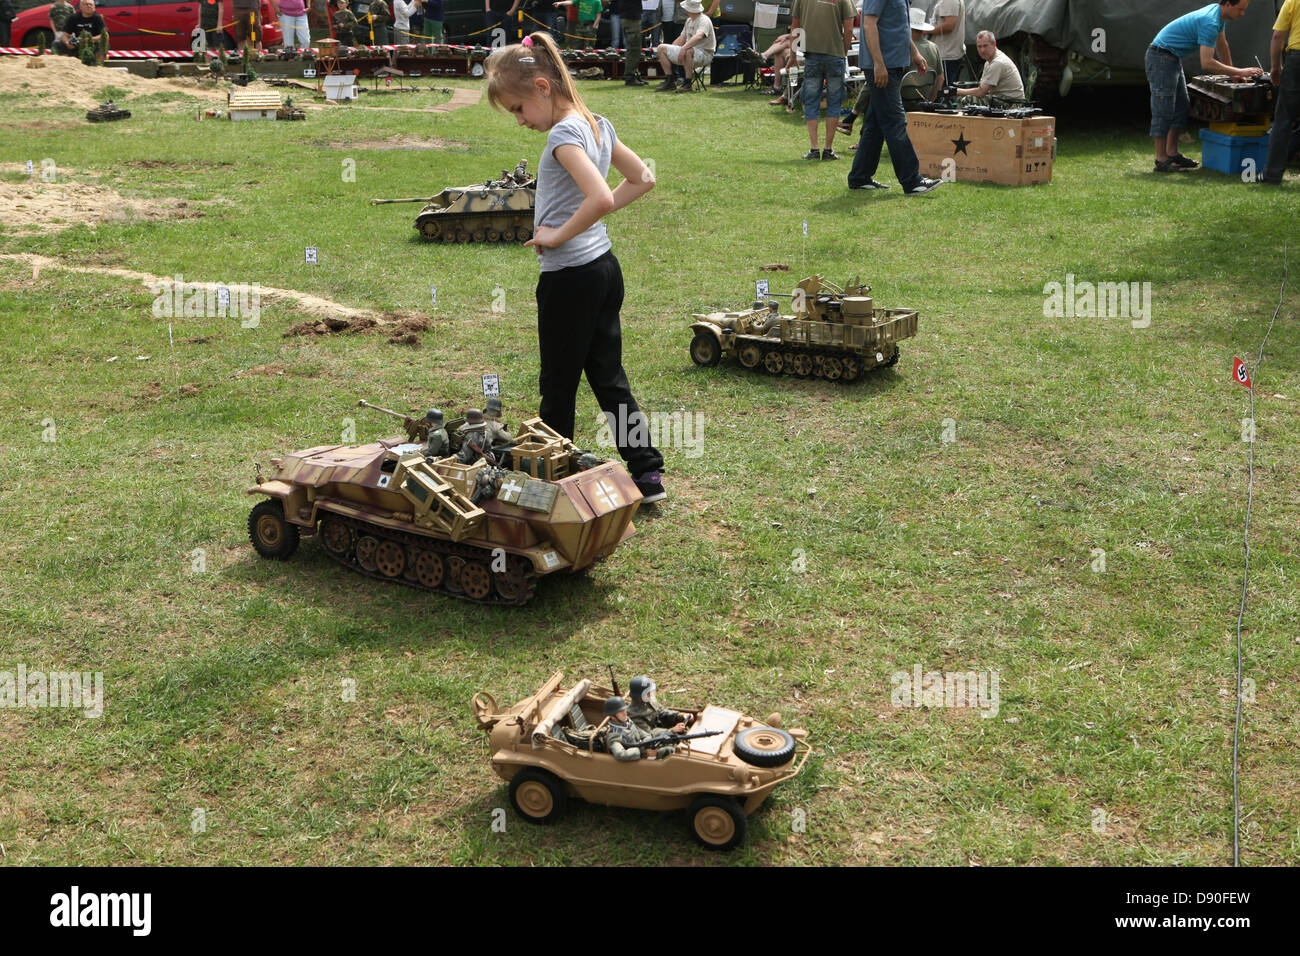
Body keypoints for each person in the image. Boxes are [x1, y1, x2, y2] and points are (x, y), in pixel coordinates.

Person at [485, 32, 666, 503]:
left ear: (542, 87)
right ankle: (647, 472)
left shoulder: (565, 134)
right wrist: (586, 227)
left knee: (558, 385)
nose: (521, 121)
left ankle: (549, 483)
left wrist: (556, 234)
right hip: (604, 269)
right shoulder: (597, 123)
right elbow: (642, 178)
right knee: (608, 377)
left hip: (570, 280)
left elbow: (601, 196)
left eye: (519, 110)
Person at [1146, 1, 1262, 173]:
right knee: (1164, 108)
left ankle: (1172, 153)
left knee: (1181, 107)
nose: (1242, 13)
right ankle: (1161, 160)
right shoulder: (1210, 21)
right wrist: (1241, 71)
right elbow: (1206, 62)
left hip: (1171, 58)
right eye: (1241, 9)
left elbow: (1222, 46)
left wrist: (1234, 76)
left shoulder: (1218, 16)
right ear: (1228, 4)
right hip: (1161, 57)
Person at [847, 0, 942, 195]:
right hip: (885, 67)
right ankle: (912, 181)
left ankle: (859, 177)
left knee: (875, 124)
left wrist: (914, 53)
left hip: (892, 65)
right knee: (895, 122)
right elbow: (869, 23)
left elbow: (899, 27)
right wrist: (878, 64)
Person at [839, 7, 941, 139]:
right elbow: (940, 78)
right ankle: (854, 124)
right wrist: (930, 101)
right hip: (923, 99)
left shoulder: (903, 49)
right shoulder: (934, 48)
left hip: (900, 99)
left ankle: (854, 121)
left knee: (874, 86)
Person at [791, 0, 856, 160]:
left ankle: (814, 149)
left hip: (812, 55)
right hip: (835, 56)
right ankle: (828, 149)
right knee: (834, 102)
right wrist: (844, 52)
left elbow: (795, 27)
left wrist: (792, 55)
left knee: (811, 100)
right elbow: (848, 28)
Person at [1263, 0, 1300, 184]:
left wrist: (1275, 67)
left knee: (1284, 120)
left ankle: (1272, 175)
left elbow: (1278, 36)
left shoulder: (1293, 1)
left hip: (1296, 61)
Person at [653, 0, 713, 92]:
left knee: (689, 50)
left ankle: (688, 84)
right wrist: (671, 49)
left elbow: (699, 36)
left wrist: (684, 48)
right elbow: (682, 38)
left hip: (705, 54)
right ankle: (670, 81)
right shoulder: (689, 20)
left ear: (689, 10)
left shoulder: (704, 20)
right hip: (690, 51)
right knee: (661, 48)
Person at [953, 30, 1024, 102]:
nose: (982, 50)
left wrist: (955, 91)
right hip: (1001, 100)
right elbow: (983, 89)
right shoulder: (988, 62)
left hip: (1013, 104)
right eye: (979, 47)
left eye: (985, 46)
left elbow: (981, 92)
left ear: (994, 44)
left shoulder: (997, 62)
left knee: (967, 100)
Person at [603, 697, 675, 761]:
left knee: (671, 750)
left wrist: (648, 746)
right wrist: (643, 751)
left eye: (624, 710)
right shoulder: (614, 735)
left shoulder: (628, 722)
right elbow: (621, 754)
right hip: (636, 762)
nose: (624, 713)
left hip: (644, 754)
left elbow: (644, 734)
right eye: (620, 712)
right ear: (612, 716)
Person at [928, 0, 964, 84]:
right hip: (947, 54)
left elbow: (949, 26)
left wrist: (925, 30)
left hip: (946, 55)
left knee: (944, 92)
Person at [616, 0, 645, 83]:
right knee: (634, 49)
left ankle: (633, 74)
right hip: (631, 17)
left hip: (628, 16)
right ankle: (630, 76)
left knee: (633, 48)